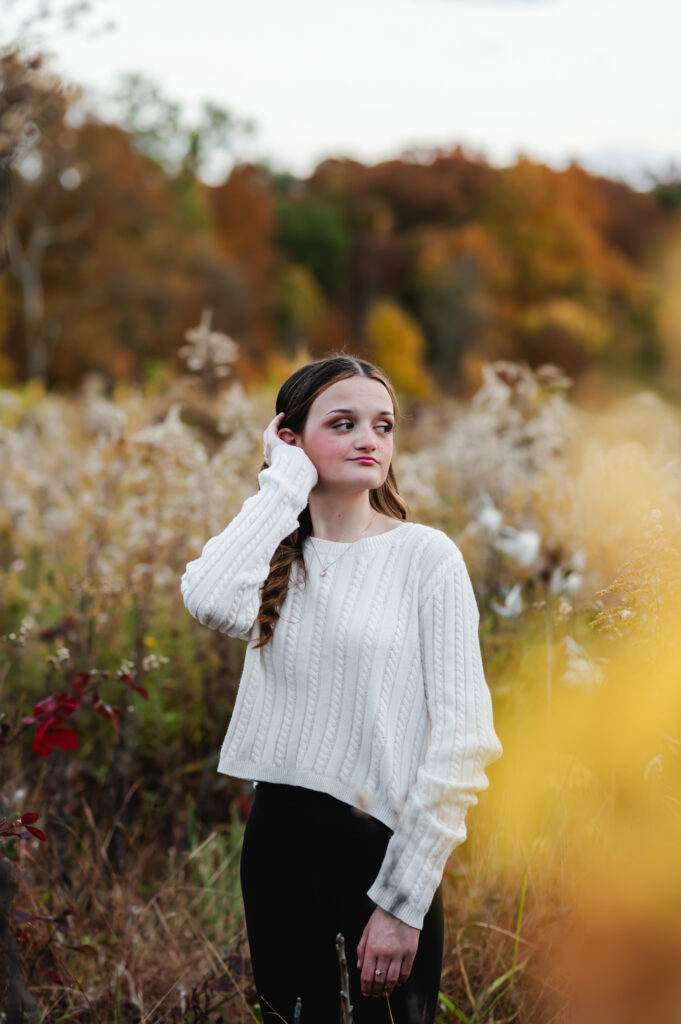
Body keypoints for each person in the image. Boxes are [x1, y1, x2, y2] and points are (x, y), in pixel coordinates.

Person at [180, 355, 503, 1024]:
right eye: (343, 423)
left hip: (382, 844)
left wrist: (401, 901)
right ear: (291, 439)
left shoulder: (425, 558)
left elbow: (463, 744)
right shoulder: (275, 556)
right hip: (278, 838)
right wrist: (280, 487)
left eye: (382, 425)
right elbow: (209, 600)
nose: (368, 440)